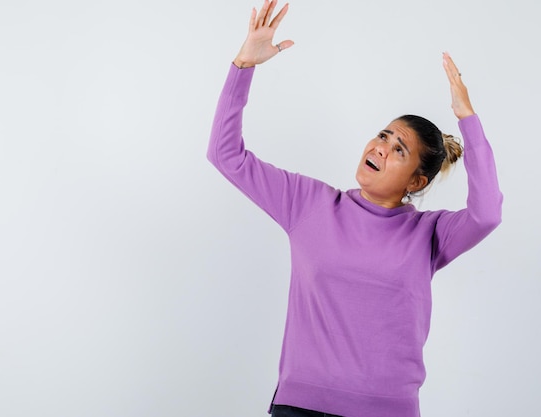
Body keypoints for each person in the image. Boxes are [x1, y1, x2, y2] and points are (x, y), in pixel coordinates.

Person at [207, 1, 503, 416]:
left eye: (398, 149)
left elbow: (488, 213)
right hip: (300, 406)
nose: (381, 147)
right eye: (383, 135)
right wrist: (243, 65)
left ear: (417, 182)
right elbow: (225, 155)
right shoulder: (308, 204)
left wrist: (467, 118)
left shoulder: (429, 235)